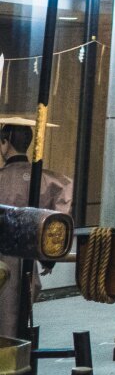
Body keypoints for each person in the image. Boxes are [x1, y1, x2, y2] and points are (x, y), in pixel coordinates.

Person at [0, 116, 73, 340]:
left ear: (5, 142)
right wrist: (48, 255)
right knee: (16, 316)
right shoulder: (47, 179)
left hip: (5, 253)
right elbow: (60, 214)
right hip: (28, 255)